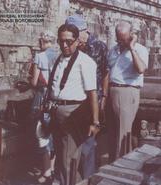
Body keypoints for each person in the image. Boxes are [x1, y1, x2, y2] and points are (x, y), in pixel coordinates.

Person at [49, 24, 100, 185]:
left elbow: (92, 93)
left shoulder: (85, 62)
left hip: (74, 112)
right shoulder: (59, 59)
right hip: (56, 110)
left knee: (69, 157)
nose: (64, 45)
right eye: (61, 41)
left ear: (77, 41)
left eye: (68, 41)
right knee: (60, 154)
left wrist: (95, 121)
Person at [65, 14, 108, 179]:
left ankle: (88, 177)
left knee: (89, 142)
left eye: (75, 33)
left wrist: (104, 97)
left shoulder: (99, 47)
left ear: (84, 30)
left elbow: (105, 73)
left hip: (92, 100)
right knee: (72, 141)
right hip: (74, 99)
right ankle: (72, 177)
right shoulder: (70, 46)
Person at [103, 21, 149, 160]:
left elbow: (140, 69)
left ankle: (122, 163)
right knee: (111, 132)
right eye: (118, 38)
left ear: (131, 35)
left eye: (124, 39)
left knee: (124, 132)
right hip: (112, 91)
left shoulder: (140, 49)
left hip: (128, 91)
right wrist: (104, 96)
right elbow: (108, 73)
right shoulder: (113, 50)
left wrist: (131, 48)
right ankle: (113, 161)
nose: (121, 42)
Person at [29, 30, 58, 184]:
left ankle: (46, 171)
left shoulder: (40, 56)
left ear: (43, 42)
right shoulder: (59, 55)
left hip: (43, 97)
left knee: (41, 133)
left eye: (40, 41)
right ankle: (51, 169)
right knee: (53, 133)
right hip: (57, 98)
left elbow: (34, 82)